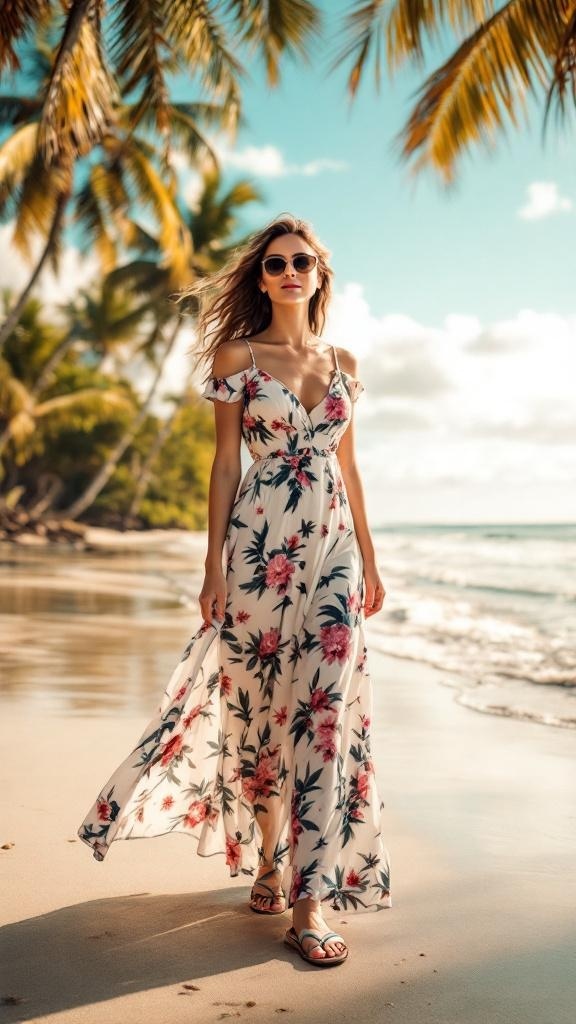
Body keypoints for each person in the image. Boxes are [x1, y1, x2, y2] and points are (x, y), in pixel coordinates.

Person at [77, 213, 391, 968]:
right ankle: (268, 855)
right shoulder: (238, 355)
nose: (290, 271)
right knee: (258, 710)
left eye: (303, 261)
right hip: (258, 551)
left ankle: (308, 902)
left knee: (320, 713)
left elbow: (349, 471)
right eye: (277, 261)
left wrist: (372, 562)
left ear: (320, 274)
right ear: (261, 277)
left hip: (333, 552)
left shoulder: (344, 361)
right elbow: (225, 465)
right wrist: (212, 564)